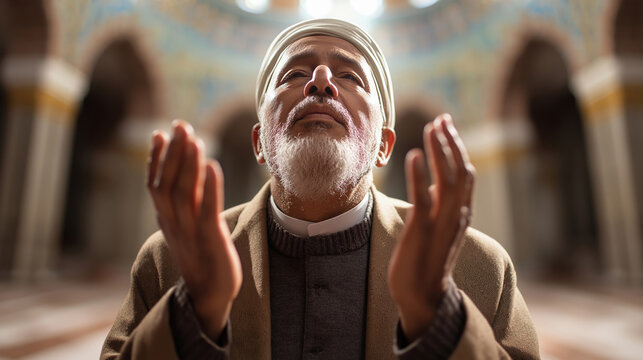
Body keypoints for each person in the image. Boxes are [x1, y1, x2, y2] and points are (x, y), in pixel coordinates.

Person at [101, 18, 539, 359]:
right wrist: (193, 311)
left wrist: (438, 318)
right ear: (259, 142)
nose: (322, 79)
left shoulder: (480, 269)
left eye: (351, 77)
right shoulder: (169, 263)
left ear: (384, 146)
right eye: (294, 74)